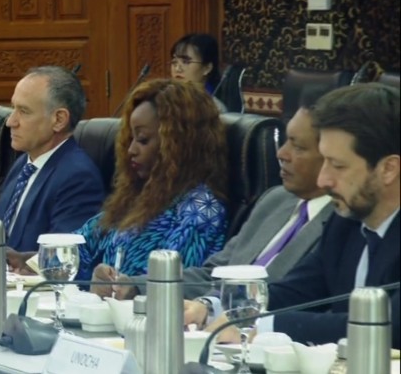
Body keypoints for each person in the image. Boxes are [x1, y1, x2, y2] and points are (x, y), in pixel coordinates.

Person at [186, 83, 400, 349]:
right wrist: (213, 309)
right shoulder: (346, 222)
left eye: (338, 165)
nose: (323, 180)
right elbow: (294, 291)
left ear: (388, 169)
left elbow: (389, 328)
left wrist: (264, 326)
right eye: (324, 161)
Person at [96, 88, 335, 299]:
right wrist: (135, 287)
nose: (281, 153)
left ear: (331, 154)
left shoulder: (341, 223)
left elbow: (305, 306)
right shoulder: (274, 201)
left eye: (298, 146)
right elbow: (212, 275)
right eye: (286, 142)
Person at [75, 79, 228, 282]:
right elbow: (78, 246)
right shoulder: (139, 195)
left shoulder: (200, 209)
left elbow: (170, 284)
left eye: (143, 140)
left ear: (178, 144)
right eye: (130, 139)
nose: (131, 150)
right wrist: (35, 260)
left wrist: (121, 287)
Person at [0, 66, 105, 270]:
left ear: (59, 120)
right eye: (13, 108)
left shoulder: (78, 178)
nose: (10, 121)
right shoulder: (23, 165)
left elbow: (60, 262)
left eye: (24, 111)